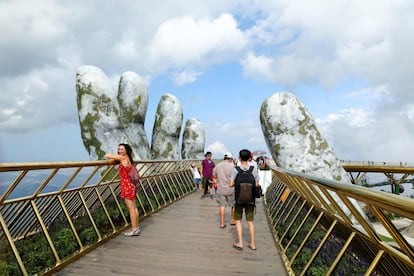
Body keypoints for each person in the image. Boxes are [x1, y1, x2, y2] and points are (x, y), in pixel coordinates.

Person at [105, 143, 140, 236]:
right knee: (134, 207)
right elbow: (110, 162)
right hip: (131, 185)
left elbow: (108, 156)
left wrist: (109, 155)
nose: (120, 151)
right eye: (119, 149)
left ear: (126, 151)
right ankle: (136, 228)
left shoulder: (124, 158)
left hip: (127, 185)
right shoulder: (126, 158)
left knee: (131, 208)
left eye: (122, 149)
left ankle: (134, 229)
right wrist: (116, 157)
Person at [230, 149, 259, 250]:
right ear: (249, 158)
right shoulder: (253, 169)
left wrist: (237, 183)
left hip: (239, 199)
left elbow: (230, 184)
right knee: (250, 221)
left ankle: (240, 243)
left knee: (238, 220)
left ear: (239, 158)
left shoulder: (236, 169)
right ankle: (252, 243)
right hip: (250, 199)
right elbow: (256, 184)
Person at [213, 152, 235, 228]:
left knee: (222, 206)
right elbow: (235, 177)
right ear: (230, 158)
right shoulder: (232, 166)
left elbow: (214, 176)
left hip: (221, 188)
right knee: (233, 205)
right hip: (230, 189)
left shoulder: (218, 165)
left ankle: (222, 223)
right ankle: (232, 220)